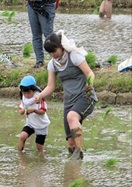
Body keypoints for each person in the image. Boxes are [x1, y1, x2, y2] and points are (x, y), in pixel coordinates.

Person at [35, 30, 97, 160]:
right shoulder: (53, 64)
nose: (53, 55)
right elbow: (51, 86)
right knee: (70, 142)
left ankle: (79, 152)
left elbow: (90, 73)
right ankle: (74, 170)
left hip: (85, 97)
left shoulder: (74, 56)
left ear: (61, 46)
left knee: (71, 116)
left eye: (55, 51)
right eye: (50, 53)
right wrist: (40, 96)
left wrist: (89, 84)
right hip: (69, 101)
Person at [17, 75, 51, 153]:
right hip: (30, 124)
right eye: (24, 93)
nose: (26, 95)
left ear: (34, 90)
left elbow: (43, 111)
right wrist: (22, 111)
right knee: (22, 137)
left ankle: (41, 158)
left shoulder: (39, 98)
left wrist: (34, 110)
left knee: (39, 147)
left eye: (28, 93)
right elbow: (21, 108)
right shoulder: (24, 98)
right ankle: (20, 155)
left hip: (41, 125)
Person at [26, 0, 56, 68]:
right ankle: (39, 61)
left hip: (46, 5)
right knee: (36, 35)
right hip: (31, 5)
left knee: (49, 36)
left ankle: (57, 60)